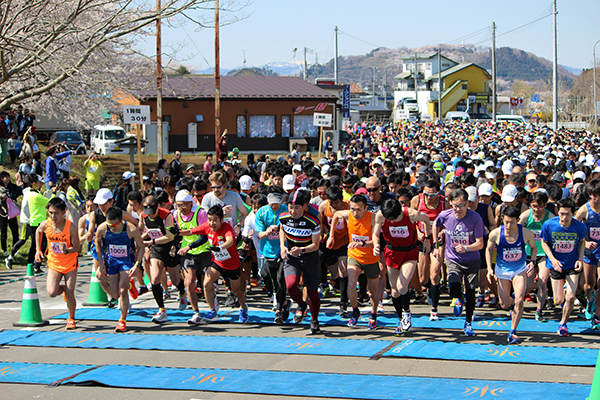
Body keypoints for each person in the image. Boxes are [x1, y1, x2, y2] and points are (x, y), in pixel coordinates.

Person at [373, 198, 431, 336]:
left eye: (393, 219)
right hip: (392, 252)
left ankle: (407, 313)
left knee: (401, 286)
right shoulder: (381, 215)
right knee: (394, 291)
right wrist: (376, 245)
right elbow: (375, 233)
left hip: (409, 253)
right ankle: (400, 319)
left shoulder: (410, 214)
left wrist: (427, 238)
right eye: (388, 219)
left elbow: (427, 219)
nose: (391, 222)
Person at [432, 188, 485, 336]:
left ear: (467, 204)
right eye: (455, 205)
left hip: (472, 260)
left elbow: (480, 244)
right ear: (450, 204)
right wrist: (436, 245)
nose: (458, 209)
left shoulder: (476, 218)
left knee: (471, 291)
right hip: (453, 259)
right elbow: (435, 225)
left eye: (461, 205)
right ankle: (458, 297)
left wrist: (467, 247)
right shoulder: (445, 215)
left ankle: (468, 323)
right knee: (453, 288)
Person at [185, 205, 248, 323]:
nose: (211, 223)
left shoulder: (227, 228)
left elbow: (230, 241)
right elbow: (189, 231)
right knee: (206, 284)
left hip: (232, 265)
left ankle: (243, 307)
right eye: (209, 219)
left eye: (215, 220)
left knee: (236, 291)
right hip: (217, 263)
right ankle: (213, 311)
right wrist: (177, 232)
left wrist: (220, 248)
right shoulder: (206, 226)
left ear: (221, 220)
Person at [486, 205, 538, 344]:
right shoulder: (496, 233)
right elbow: (488, 249)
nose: (509, 225)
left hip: (519, 269)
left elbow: (533, 248)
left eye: (512, 222)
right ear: (502, 219)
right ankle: (513, 302)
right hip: (502, 270)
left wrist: (532, 262)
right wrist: (489, 268)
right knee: (504, 304)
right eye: (506, 221)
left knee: (520, 300)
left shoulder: (526, 233)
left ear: (518, 220)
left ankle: (513, 331)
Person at [329, 194, 380, 331]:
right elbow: (336, 215)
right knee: (351, 283)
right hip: (354, 255)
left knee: (373, 291)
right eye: (352, 209)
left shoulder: (373, 218)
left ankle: (373, 315)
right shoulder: (348, 215)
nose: (355, 213)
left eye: (358, 210)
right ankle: (355, 311)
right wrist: (331, 236)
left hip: (370, 258)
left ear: (366, 208)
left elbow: (376, 240)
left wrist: (364, 244)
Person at [541, 197, 587, 336]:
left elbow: (582, 242)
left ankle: (563, 324)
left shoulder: (580, 227)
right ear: (557, 212)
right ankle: (565, 293)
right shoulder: (549, 225)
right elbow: (544, 243)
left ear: (573, 213)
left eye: (567, 214)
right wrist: (553, 259)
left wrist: (580, 259)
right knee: (558, 299)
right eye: (561, 213)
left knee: (571, 297)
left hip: (572, 264)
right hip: (556, 264)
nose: (564, 217)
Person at [95, 206, 144, 332]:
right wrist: (101, 263)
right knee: (116, 294)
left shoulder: (130, 229)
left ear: (121, 220)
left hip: (126, 262)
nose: (112, 227)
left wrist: (136, 264)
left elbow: (141, 246)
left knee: (122, 291)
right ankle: (129, 285)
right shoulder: (102, 228)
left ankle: (122, 320)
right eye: (109, 225)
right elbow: (97, 243)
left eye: (115, 225)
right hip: (111, 262)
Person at [280, 189, 322, 334]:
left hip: (310, 257)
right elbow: (282, 229)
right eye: (290, 207)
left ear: (305, 206)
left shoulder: (313, 220)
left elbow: (316, 245)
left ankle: (314, 319)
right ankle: (301, 305)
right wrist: (282, 246)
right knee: (291, 286)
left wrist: (302, 249)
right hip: (292, 257)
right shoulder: (283, 217)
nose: (293, 211)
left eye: (297, 207)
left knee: (312, 292)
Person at [34, 197, 80, 329]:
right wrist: (38, 250)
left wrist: (66, 250)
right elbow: (38, 231)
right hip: (54, 262)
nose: (53, 216)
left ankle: (71, 318)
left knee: (70, 293)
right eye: (50, 213)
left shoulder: (71, 227)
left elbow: (77, 247)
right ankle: (64, 289)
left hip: (70, 263)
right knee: (52, 292)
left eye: (56, 213)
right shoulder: (46, 224)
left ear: (64, 212)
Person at [411, 179, 448, 319]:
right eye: (426, 193)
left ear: (438, 193)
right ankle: (431, 291)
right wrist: (418, 231)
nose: (429, 197)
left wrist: (443, 232)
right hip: (423, 240)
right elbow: (411, 219)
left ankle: (434, 308)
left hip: (437, 242)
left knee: (434, 275)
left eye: (432, 195)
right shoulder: (417, 200)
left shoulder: (444, 202)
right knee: (422, 278)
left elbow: (450, 221)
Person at [174, 190, 210, 325]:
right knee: (189, 283)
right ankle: (196, 312)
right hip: (187, 252)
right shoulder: (176, 214)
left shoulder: (200, 213)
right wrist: (174, 246)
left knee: (206, 284)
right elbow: (176, 233)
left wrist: (189, 246)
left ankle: (213, 307)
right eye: (178, 205)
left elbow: (204, 235)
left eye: (184, 205)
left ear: (191, 203)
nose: (181, 208)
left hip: (203, 250)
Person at [139, 194, 176, 323]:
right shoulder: (143, 216)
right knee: (155, 279)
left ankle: (182, 292)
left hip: (170, 247)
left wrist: (151, 241)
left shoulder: (167, 215)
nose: (150, 215)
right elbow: (145, 230)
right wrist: (139, 239)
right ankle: (162, 310)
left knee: (176, 280)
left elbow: (170, 236)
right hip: (156, 249)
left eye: (152, 212)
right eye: (147, 212)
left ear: (157, 207)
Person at [255, 190, 290, 324]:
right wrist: (268, 230)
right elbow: (260, 234)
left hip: (283, 248)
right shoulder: (262, 212)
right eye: (272, 204)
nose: (274, 207)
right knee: (266, 275)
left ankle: (279, 309)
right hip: (268, 249)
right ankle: (282, 300)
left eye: (277, 204)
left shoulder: (286, 210)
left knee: (280, 279)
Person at [519, 191, 553, 322]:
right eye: (533, 206)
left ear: (544, 205)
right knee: (527, 286)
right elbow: (516, 230)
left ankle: (539, 310)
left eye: (539, 206)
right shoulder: (526, 215)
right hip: (528, 253)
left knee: (543, 281)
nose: (536, 209)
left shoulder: (550, 217)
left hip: (544, 253)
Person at [318, 186, 350, 317]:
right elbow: (321, 222)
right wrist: (324, 233)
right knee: (334, 272)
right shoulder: (323, 206)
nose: (334, 205)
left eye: (336, 202)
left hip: (344, 240)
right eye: (331, 202)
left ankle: (344, 301)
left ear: (341, 200)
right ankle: (337, 284)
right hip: (329, 241)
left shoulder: (348, 206)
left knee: (343, 270)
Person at [574, 179, 600, 328]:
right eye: (594, 195)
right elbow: (574, 230)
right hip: (589, 250)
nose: (597, 199)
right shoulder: (584, 209)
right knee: (589, 285)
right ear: (590, 194)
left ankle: (597, 315)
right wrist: (585, 242)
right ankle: (590, 301)